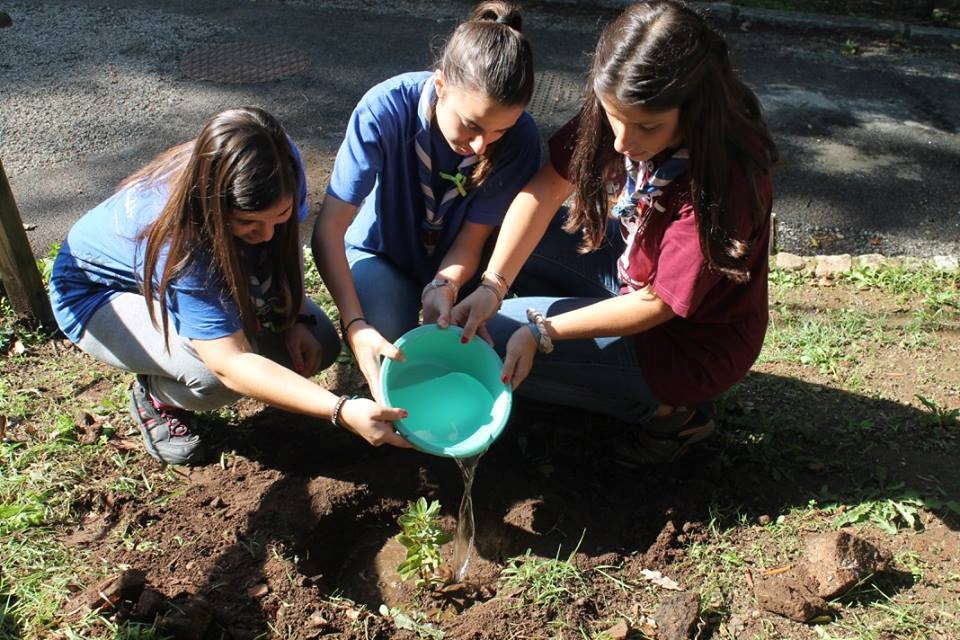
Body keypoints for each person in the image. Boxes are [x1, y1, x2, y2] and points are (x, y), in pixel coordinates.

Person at [452, 0, 778, 460]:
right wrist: (493, 284)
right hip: (633, 271)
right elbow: (546, 189)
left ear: (695, 109)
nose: (623, 141)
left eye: (647, 127)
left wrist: (543, 331)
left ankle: (670, 411)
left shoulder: (725, 177)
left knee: (488, 349)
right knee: (495, 253)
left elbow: (659, 303)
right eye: (613, 118)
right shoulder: (624, 104)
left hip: (685, 344)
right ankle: (578, 370)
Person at [49, 107, 410, 466]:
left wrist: (297, 317)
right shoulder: (182, 245)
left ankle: (207, 331)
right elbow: (229, 364)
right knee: (212, 377)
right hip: (97, 294)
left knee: (321, 344)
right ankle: (156, 396)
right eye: (249, 225)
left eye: (279, 217)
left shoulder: (277, 161)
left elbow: (282, 246)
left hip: (202, 263)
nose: (267, 234)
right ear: (213, 207)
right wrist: (340, 410)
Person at [312, 0, 541, 401]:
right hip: (383, 254)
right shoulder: (384, 109)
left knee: (480, 357)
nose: (480, 145)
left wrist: (444, 285)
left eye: (498, 131)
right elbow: (329, 229)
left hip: (460, 267)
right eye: (471, 125)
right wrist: (355, 324)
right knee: (392, 354)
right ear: (440, 85)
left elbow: (472, 240)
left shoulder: (520, 139)